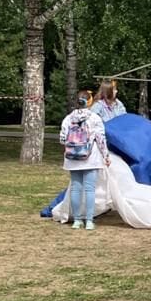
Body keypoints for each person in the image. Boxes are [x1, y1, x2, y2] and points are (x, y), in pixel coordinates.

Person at [59, 89, 110, 230]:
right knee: (90, 189)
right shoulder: (94, 118)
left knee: (76, 189)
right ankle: (89, 221)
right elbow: (101, 140)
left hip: (72, 157)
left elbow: (62, 139)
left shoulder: (68, 118)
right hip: (91, 157)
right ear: (90, 101)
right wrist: (106, 156)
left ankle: (76, 220)